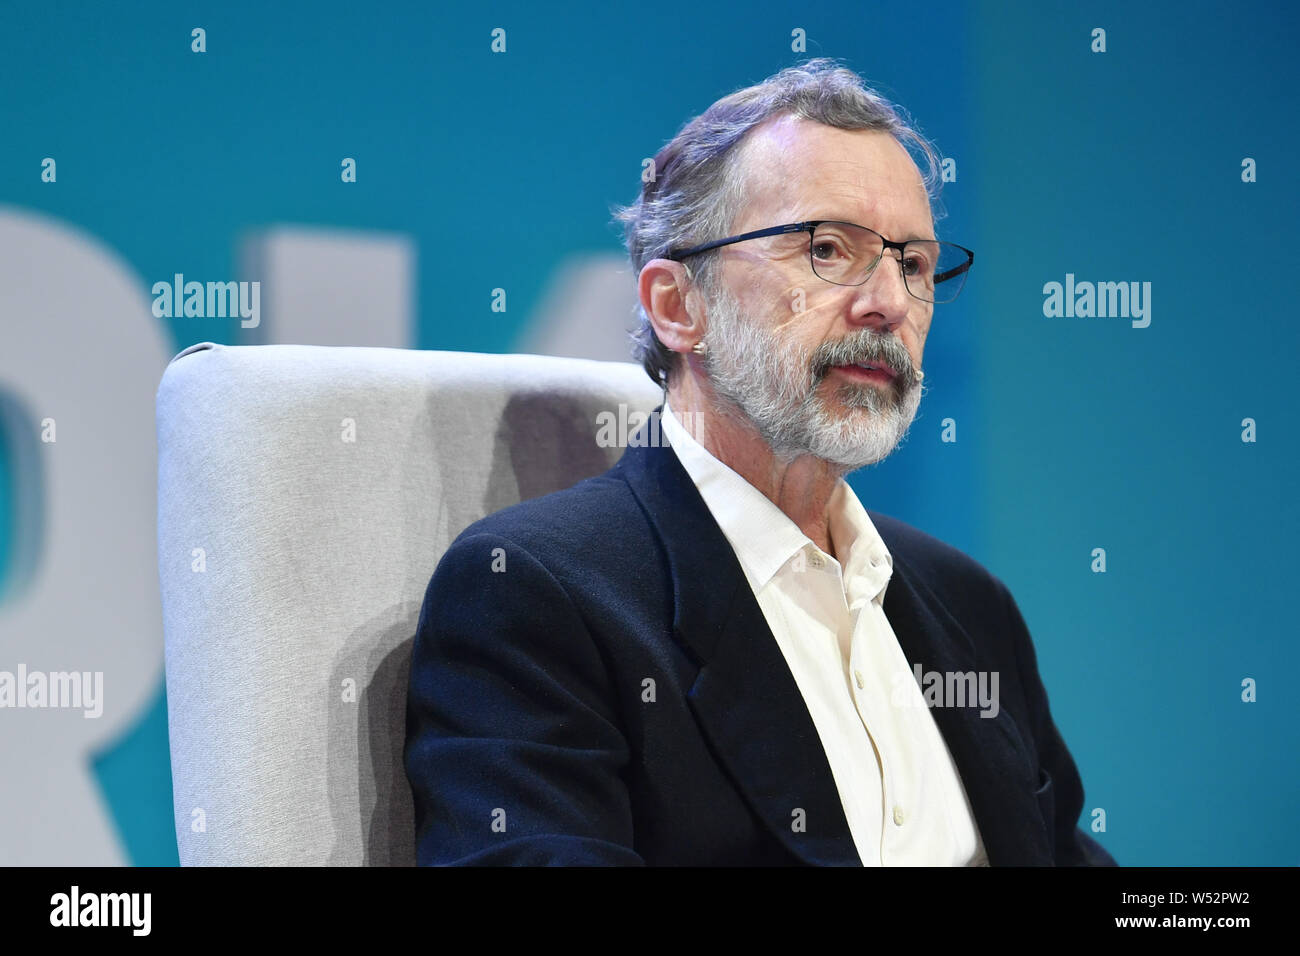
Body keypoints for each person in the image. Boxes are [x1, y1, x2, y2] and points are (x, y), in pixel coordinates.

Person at [404, 58, 1116, 866]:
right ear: (678, 306)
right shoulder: (536, 597)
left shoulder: (968, 602)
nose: (887, 302)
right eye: (825, 249)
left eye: (913, 264)